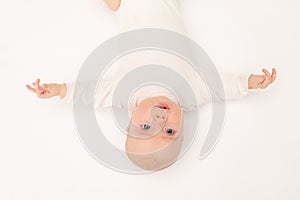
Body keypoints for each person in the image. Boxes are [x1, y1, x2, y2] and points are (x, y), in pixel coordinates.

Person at [25, 0, 277, 171]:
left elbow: (90, 94)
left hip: (127, 7)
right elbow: (221, 86)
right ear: (182, 130)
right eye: (169, 132)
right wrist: (249, 83)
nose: (159, 120)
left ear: (131, 117)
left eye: (145, 127)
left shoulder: (124, 93)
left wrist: (59, 90)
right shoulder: (191, 94)